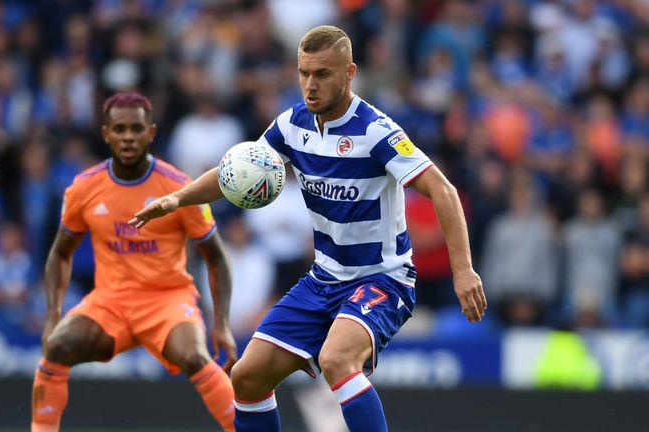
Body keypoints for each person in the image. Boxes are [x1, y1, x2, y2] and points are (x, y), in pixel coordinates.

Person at [130, 26, 486, 432]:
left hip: (382, 279)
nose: (310, 85)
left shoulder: (375, 131)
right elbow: (238, 171)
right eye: (304, 73)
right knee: (246, 377)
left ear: (349, 73)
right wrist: (179, 198)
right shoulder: (292, 124)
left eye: (322, 74)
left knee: (337, 359)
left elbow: (442, 189)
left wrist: (464, 270)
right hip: (323, 279)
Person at [31, 92, 237, 432]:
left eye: (136, 129)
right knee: (57, 346)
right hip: (110, 302)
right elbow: (59, 253)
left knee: (195, 357)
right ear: (106, 134)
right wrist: (53, 315)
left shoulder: (179, 188)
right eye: (120, 129)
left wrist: (223, 324)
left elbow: (216, 257)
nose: (128, 136)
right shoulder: (84, 188)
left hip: (167, 300)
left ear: (151, 133)